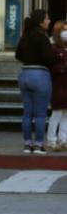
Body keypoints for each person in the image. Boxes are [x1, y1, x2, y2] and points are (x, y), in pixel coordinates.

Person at [15, 10, 53, 155]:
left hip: (24, 74)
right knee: (40, 114)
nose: (49, 21)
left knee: (27, 112)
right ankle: (38, 145)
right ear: (41, 21)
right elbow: (48, 59)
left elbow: (18, 55)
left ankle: (27, 144)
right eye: (47, 18)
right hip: (40, 74)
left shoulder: (25, 36)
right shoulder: (42, 37)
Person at [48, 21, 67, 150]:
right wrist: (64, 67)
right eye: (64, 30)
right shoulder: (54, 48)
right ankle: (51, 140)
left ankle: (63, 139)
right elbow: (51, 67)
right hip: (59, 85)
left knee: (66, 114)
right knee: (56, 114)